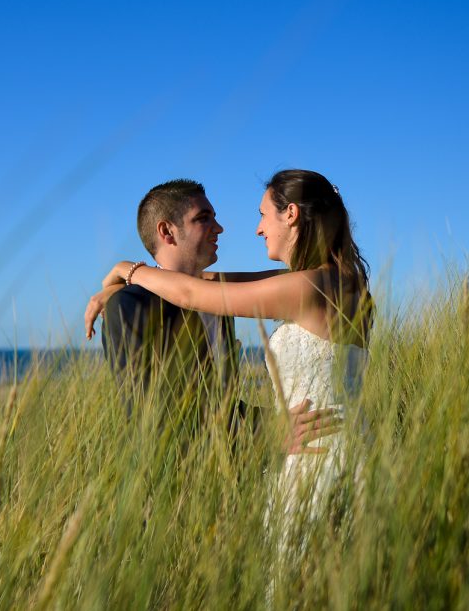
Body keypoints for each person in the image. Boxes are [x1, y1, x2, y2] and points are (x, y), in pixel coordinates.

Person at [85, 169, 373, 525]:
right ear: (166, 231)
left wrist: (125, 267)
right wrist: (126, 285)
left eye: (262, 215)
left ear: (292, 214)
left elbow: (192, 294)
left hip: (318, 453)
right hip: (184, 499)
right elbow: (154, 415)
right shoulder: (337, 279)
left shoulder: (308, 287)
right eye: (205, 218)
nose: (255, 228)